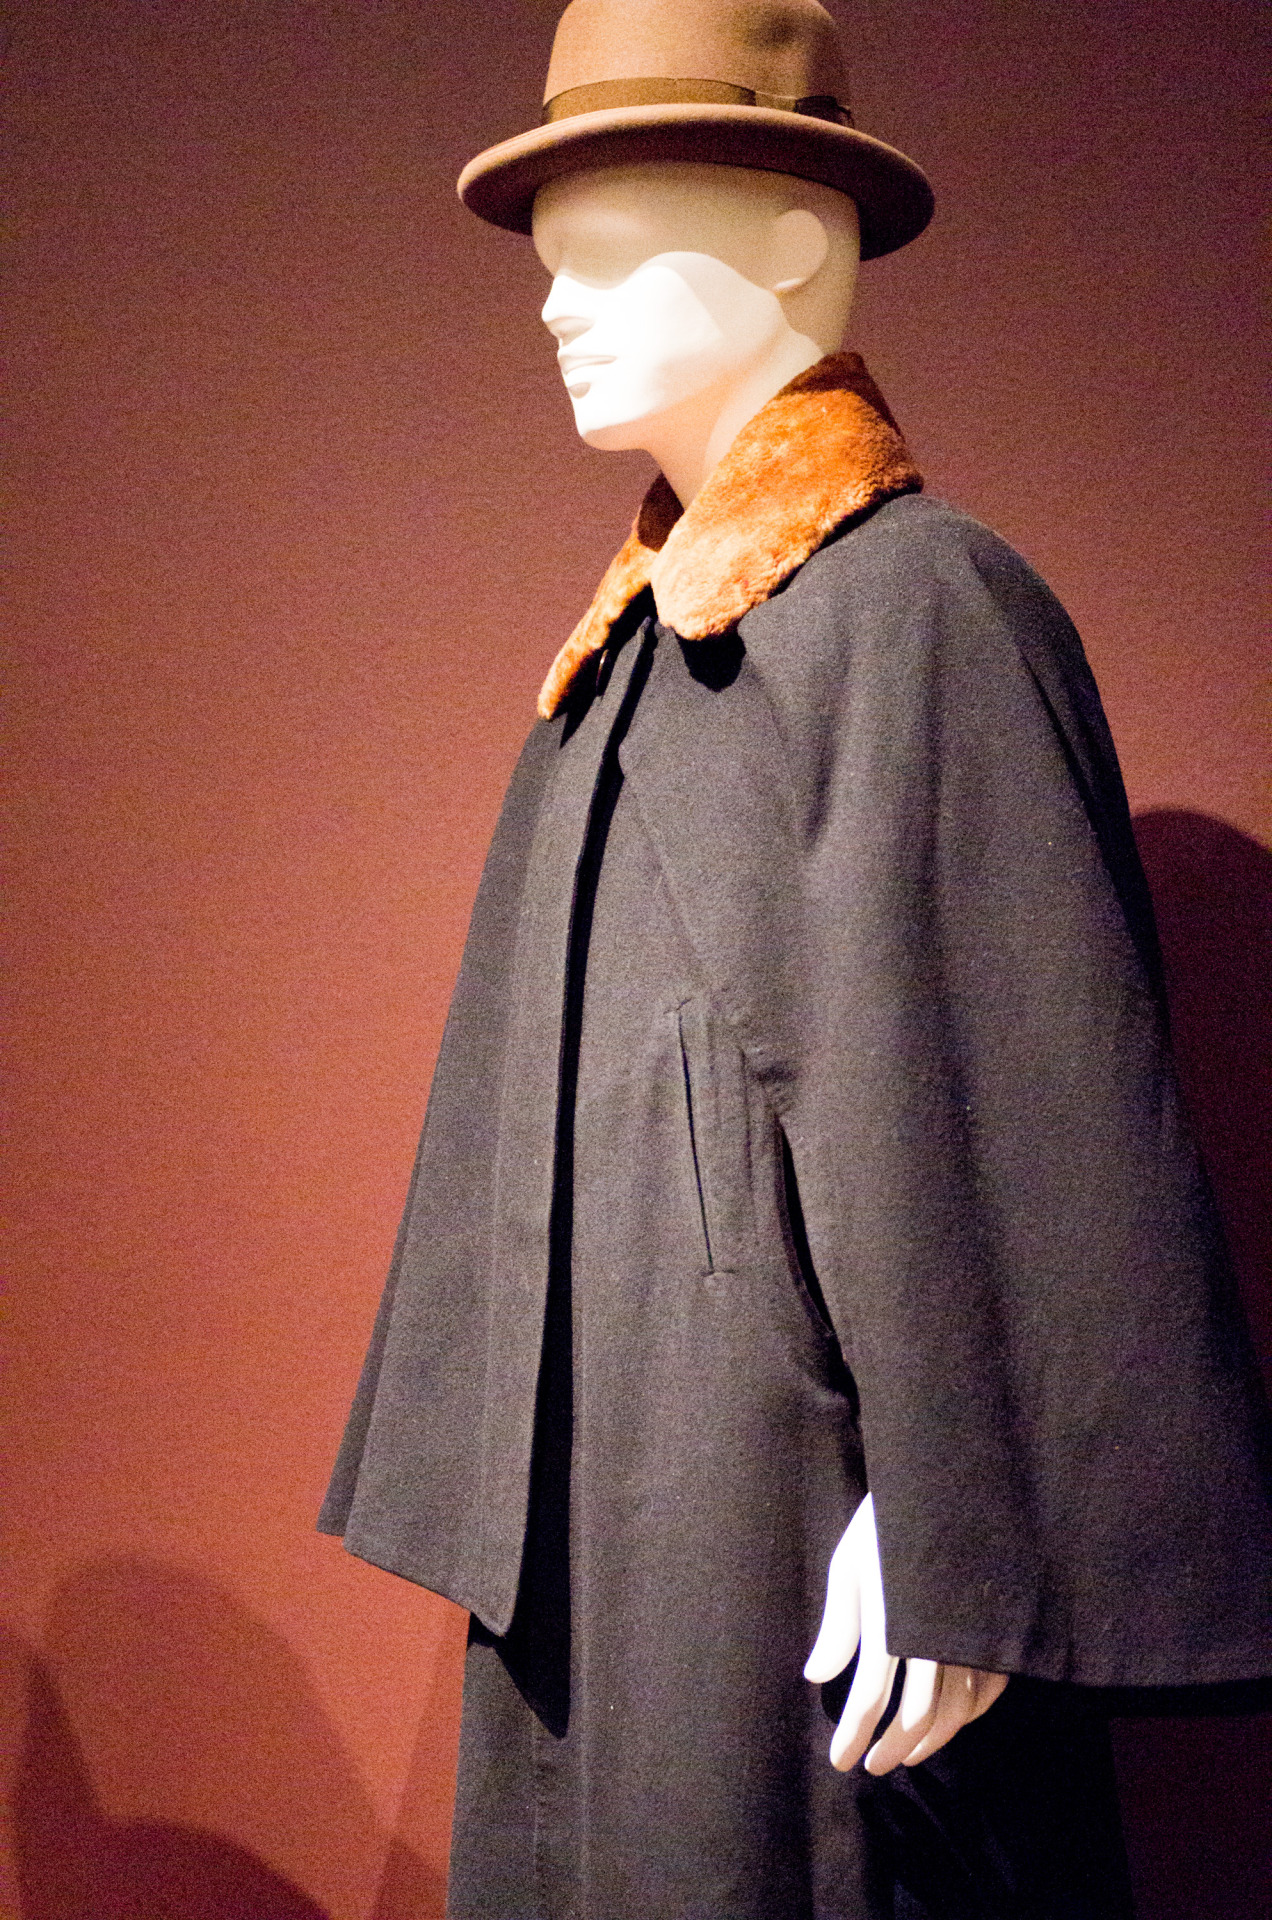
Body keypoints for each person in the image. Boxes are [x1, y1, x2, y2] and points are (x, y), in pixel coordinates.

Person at [320, 5, 1272, 1914]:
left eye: (608, 250)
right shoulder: (621, 664)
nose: (553, 306)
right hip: (609, 1511)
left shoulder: (926, 609)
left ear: (786, 238)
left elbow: (1030, 1092)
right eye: (547, 261)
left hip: (799, 1525)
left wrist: (965, 1515)